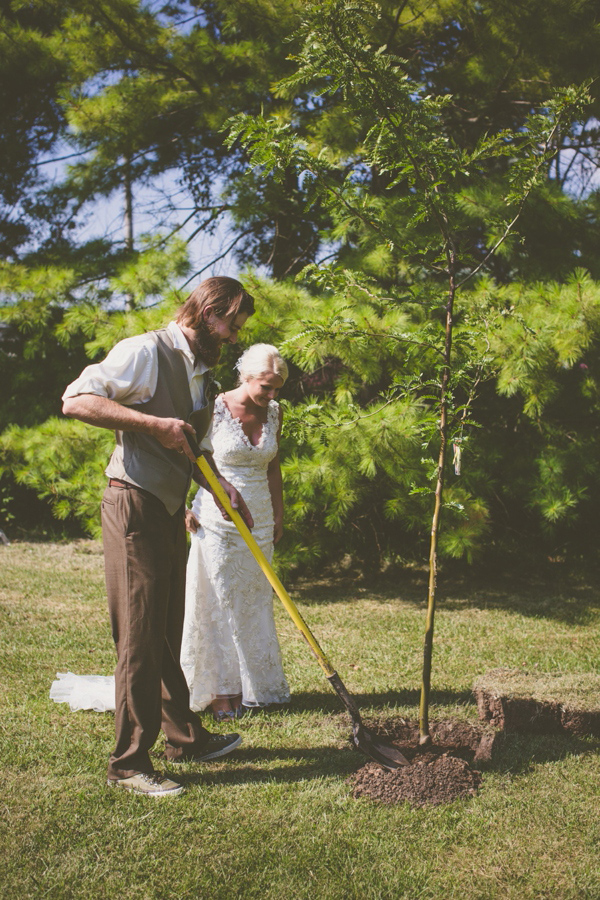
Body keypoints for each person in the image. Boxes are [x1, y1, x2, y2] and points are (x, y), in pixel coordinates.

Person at [61, 275, 255, 797]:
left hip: (168, 508)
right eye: (231, 324)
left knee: (167, 627)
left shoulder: (201, 373)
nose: (234, 336)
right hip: (133, 505)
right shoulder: (146, 351)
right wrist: (152, 427)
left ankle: (184, 738)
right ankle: (128, 763)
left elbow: (188, 445)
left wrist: (220, 489)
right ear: (208, 311)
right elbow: (76, 400)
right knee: (141, 637)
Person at [181, 343, 291, 721]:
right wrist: (183, 504)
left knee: (253, 599)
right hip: (217, 516)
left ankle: (253, 685)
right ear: (245, 377)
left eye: (277, 388)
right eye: (266, 386)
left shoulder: (275, 413)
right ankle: (218, 691)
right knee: (218, 598)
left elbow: (273, 466)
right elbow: (187, 455)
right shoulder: (213, 407)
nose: (272, 395)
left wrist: (278, 512)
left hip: (259, 514)